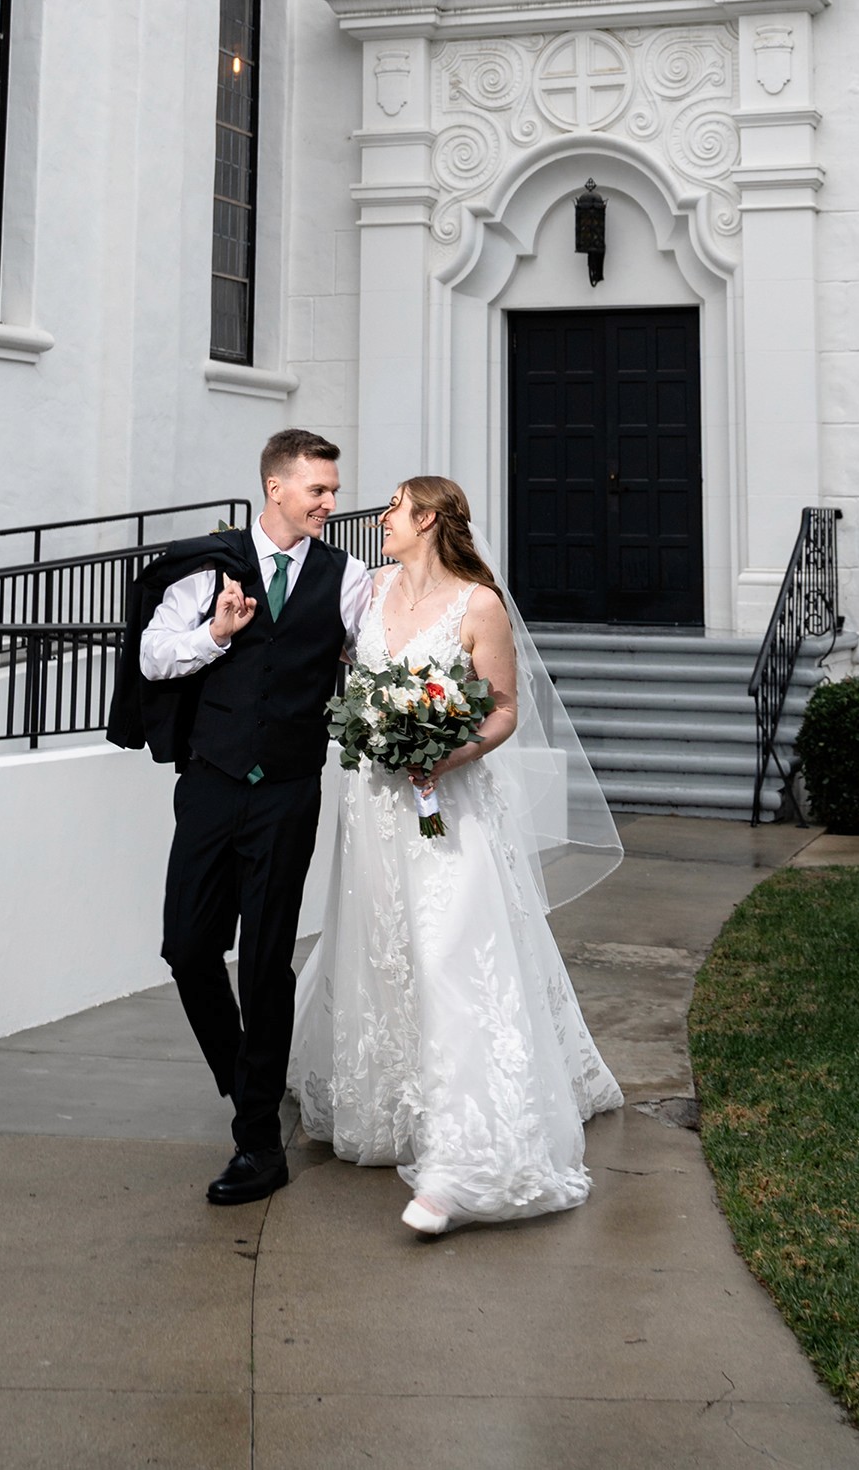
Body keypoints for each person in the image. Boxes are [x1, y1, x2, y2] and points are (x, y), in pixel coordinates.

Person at [288, 474, 623, 1235]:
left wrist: (446, 753)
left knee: (451, 953)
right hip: (371, 805)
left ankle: (467, 1162)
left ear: (428, 518)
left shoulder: (480, 605)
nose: (380, 519)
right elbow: (338, 669)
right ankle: (389, 1101)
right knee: (381, 947)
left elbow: (502, 709)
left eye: (393, 509)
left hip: (447, 806)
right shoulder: (367, 591)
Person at [132, 428, 374, 1207]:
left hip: (287, 791)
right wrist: (216, 633)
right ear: (275, 487)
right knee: (187, 947)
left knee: (266, 958)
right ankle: (247, 1080)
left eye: (332, 491)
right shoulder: (209, 568)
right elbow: (152, 656)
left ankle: (258, 1140)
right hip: (209, 783)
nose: (330, 504)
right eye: (318, 491)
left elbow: (376, 656)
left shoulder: (349, 577)